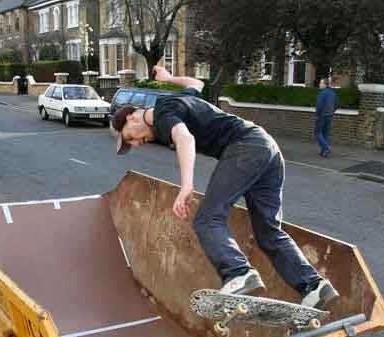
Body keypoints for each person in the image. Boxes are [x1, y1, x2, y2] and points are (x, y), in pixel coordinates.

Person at [110, 66, 339, 310]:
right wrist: (169, 79)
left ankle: (238, 273)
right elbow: (196, 84)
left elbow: (185, 138)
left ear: (132, 117)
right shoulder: (179, 100)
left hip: (245, 148)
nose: (137, 143)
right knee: (268, 232)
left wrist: (186, 185)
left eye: (130, 137)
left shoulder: (161, 114)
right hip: (267, 149)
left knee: (207, 219)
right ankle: (314, 286)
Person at [315, 78, 339, 158]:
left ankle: (326, 147)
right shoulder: (333, 93)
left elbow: (319, 105)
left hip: (322, 116)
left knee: (318, 133)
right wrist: (332, 112)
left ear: (325, 85)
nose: (319, 84)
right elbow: (336, 104)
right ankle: (323, 152)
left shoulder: (322, 93)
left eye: (321, 83)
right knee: (325, 134)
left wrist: (317, 114)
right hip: (330, 116)